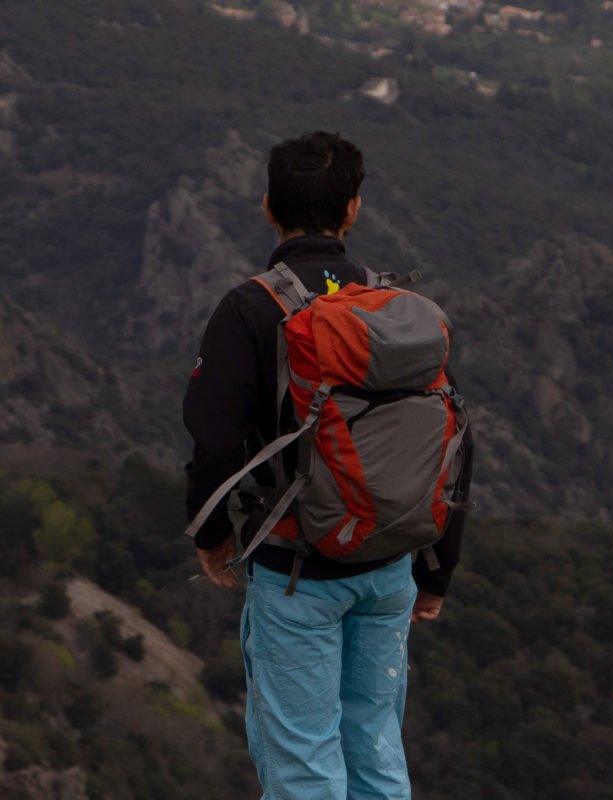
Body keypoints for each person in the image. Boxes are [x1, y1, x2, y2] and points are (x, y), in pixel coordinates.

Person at [182, 130, 474, 799]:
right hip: (390, 570)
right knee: (375, 752)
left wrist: (212, 534)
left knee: (303, 765)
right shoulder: (396, 312)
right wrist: (438, 569)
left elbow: (215, 440)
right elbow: (452, 441)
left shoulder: (251, 308)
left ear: (267, 207)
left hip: (298, 574)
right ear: (354, 211)